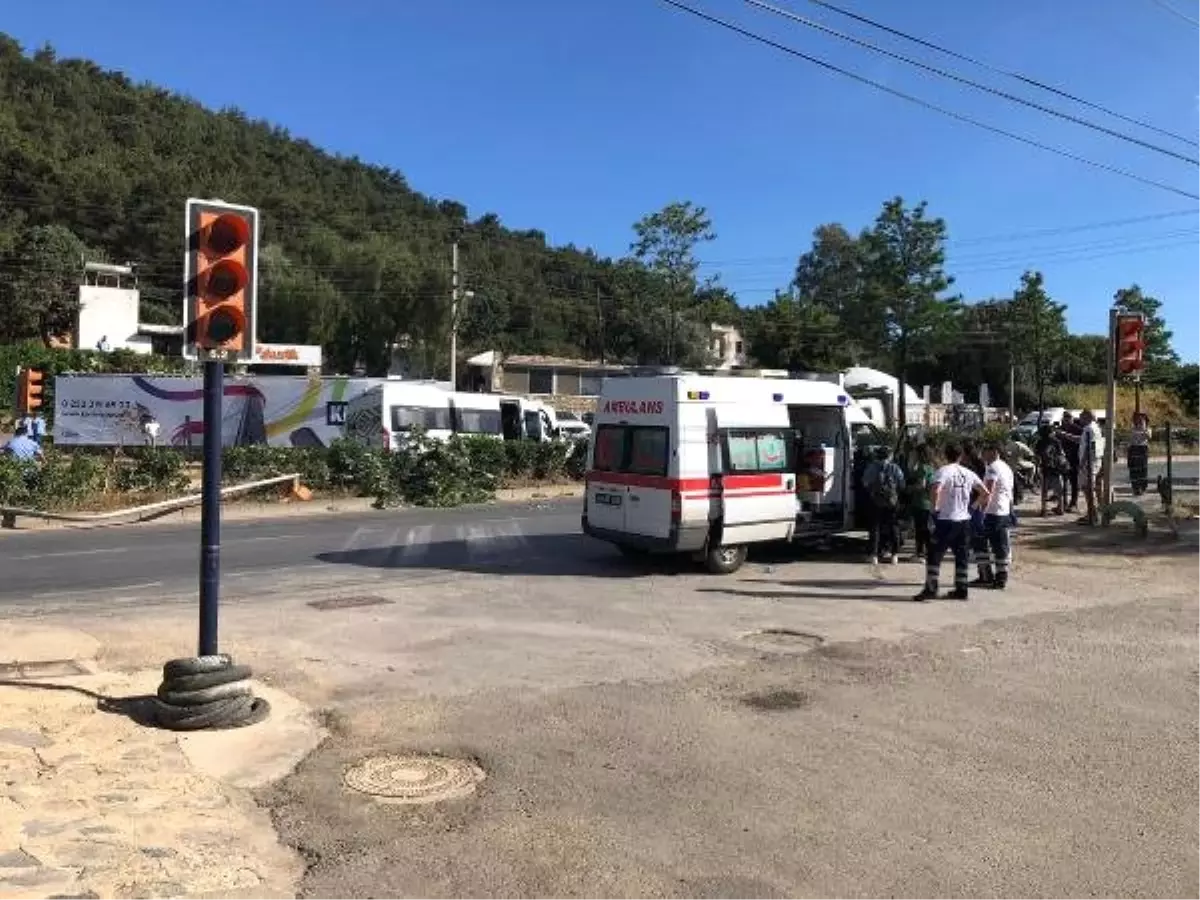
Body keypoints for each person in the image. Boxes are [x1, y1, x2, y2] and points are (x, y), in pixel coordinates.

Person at [915, 443, 989, 602]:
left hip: (946, 519)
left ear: (945, 455)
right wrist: (972, 508)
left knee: (934, 554)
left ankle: (931, 588)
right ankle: (962, 589)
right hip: (964, 520)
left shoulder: (942, 471)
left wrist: (933, 510)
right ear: (960, 456)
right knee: (961, 556)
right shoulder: (968, 473)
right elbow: (985, 493)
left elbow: (936, 489)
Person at [973, 442, 1014, 590]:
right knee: (1000, 546)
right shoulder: (1006, 467)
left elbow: (987, 492)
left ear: (994, 451)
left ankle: (986, 575)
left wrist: (977, 509)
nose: (982, 454)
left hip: (992, 512)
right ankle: (1001, 576)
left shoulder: (992, 468)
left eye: (985, 450)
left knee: (980, 543)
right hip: (1003, 510)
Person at [862, 445, 905, 566]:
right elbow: (902, 484)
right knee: (894, 527)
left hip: (876, 502)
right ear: (889, 456)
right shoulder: (895, 468)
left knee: (875, 528)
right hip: (892, 502)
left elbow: (865, 483)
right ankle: (894, 555)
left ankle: (874, 555)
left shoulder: (872, 467)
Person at [909, 443, 936, 561]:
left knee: (920, 530)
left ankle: (920, 554)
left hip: (920, 502)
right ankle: (928, 553)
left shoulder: (922, 468)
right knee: (927, 529)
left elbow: (921, 485)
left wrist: (908, 488)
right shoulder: (931, 467)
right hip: (929, 502)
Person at [1078, 410, 1105, 525]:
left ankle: (1092, 514)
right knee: (1092, 487)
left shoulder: (1088, 429)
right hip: (1095, 461)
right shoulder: (1096, 428)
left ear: (1087, 417)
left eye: (1081, 417)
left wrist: (1082, 462)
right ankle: (1094, 512)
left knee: (1087, 488)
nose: (1079, 419)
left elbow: (1090, 447)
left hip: (1089, 463)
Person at [1034, 424, 1067, 516]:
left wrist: (1037, 468)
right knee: (1059, 489)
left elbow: (1037, 456)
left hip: (1045, 468)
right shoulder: (1057, 441)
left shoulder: (1040, 442)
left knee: (1044, 490)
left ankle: (1044, 509)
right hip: (1056, 468)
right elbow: (1061, 454)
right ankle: (1060, 508)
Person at [1058, 411, 1082, 511]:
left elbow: (1081, 441)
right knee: (1062, 482)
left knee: (1074, 482)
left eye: (1069, 418)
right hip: (1063, 459)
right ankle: (1063, 503)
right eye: (1065, 418)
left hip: (1074, 459)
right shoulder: (1060, 429)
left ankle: (1073, 502)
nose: (1067, 420)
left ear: (1072, 419)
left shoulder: (1077, 429)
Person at [1127, 413, 1151, 496]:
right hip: (1133, 449)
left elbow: (1148, 436)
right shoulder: (1133, 428)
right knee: (1133, 470)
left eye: (1141, 420)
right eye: (1138, 420)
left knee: (1142, 470)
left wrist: (1143, 428)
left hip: (1142, 449)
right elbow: (1131, 437)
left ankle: (1142, 488)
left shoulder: (1147, 429)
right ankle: (1135, 488)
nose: (1139, 421)